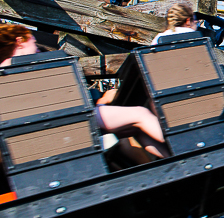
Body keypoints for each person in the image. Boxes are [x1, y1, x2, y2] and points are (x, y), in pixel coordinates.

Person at [0, 24, 170, 161]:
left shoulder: (4, 71)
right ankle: (186, 151)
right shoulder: (31, 66)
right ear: (20, 40)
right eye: (33, 42)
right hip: (71, 122)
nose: (37, 48)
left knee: (131, 128)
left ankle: (173, 159)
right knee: (141, 114)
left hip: (44, 134)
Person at [152, 3, 224, 134]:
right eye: (195, 19)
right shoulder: (194, 37)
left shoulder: (156, 42)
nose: (197, 22)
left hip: (172, 104)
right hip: (205, 97)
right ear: (187, 21)